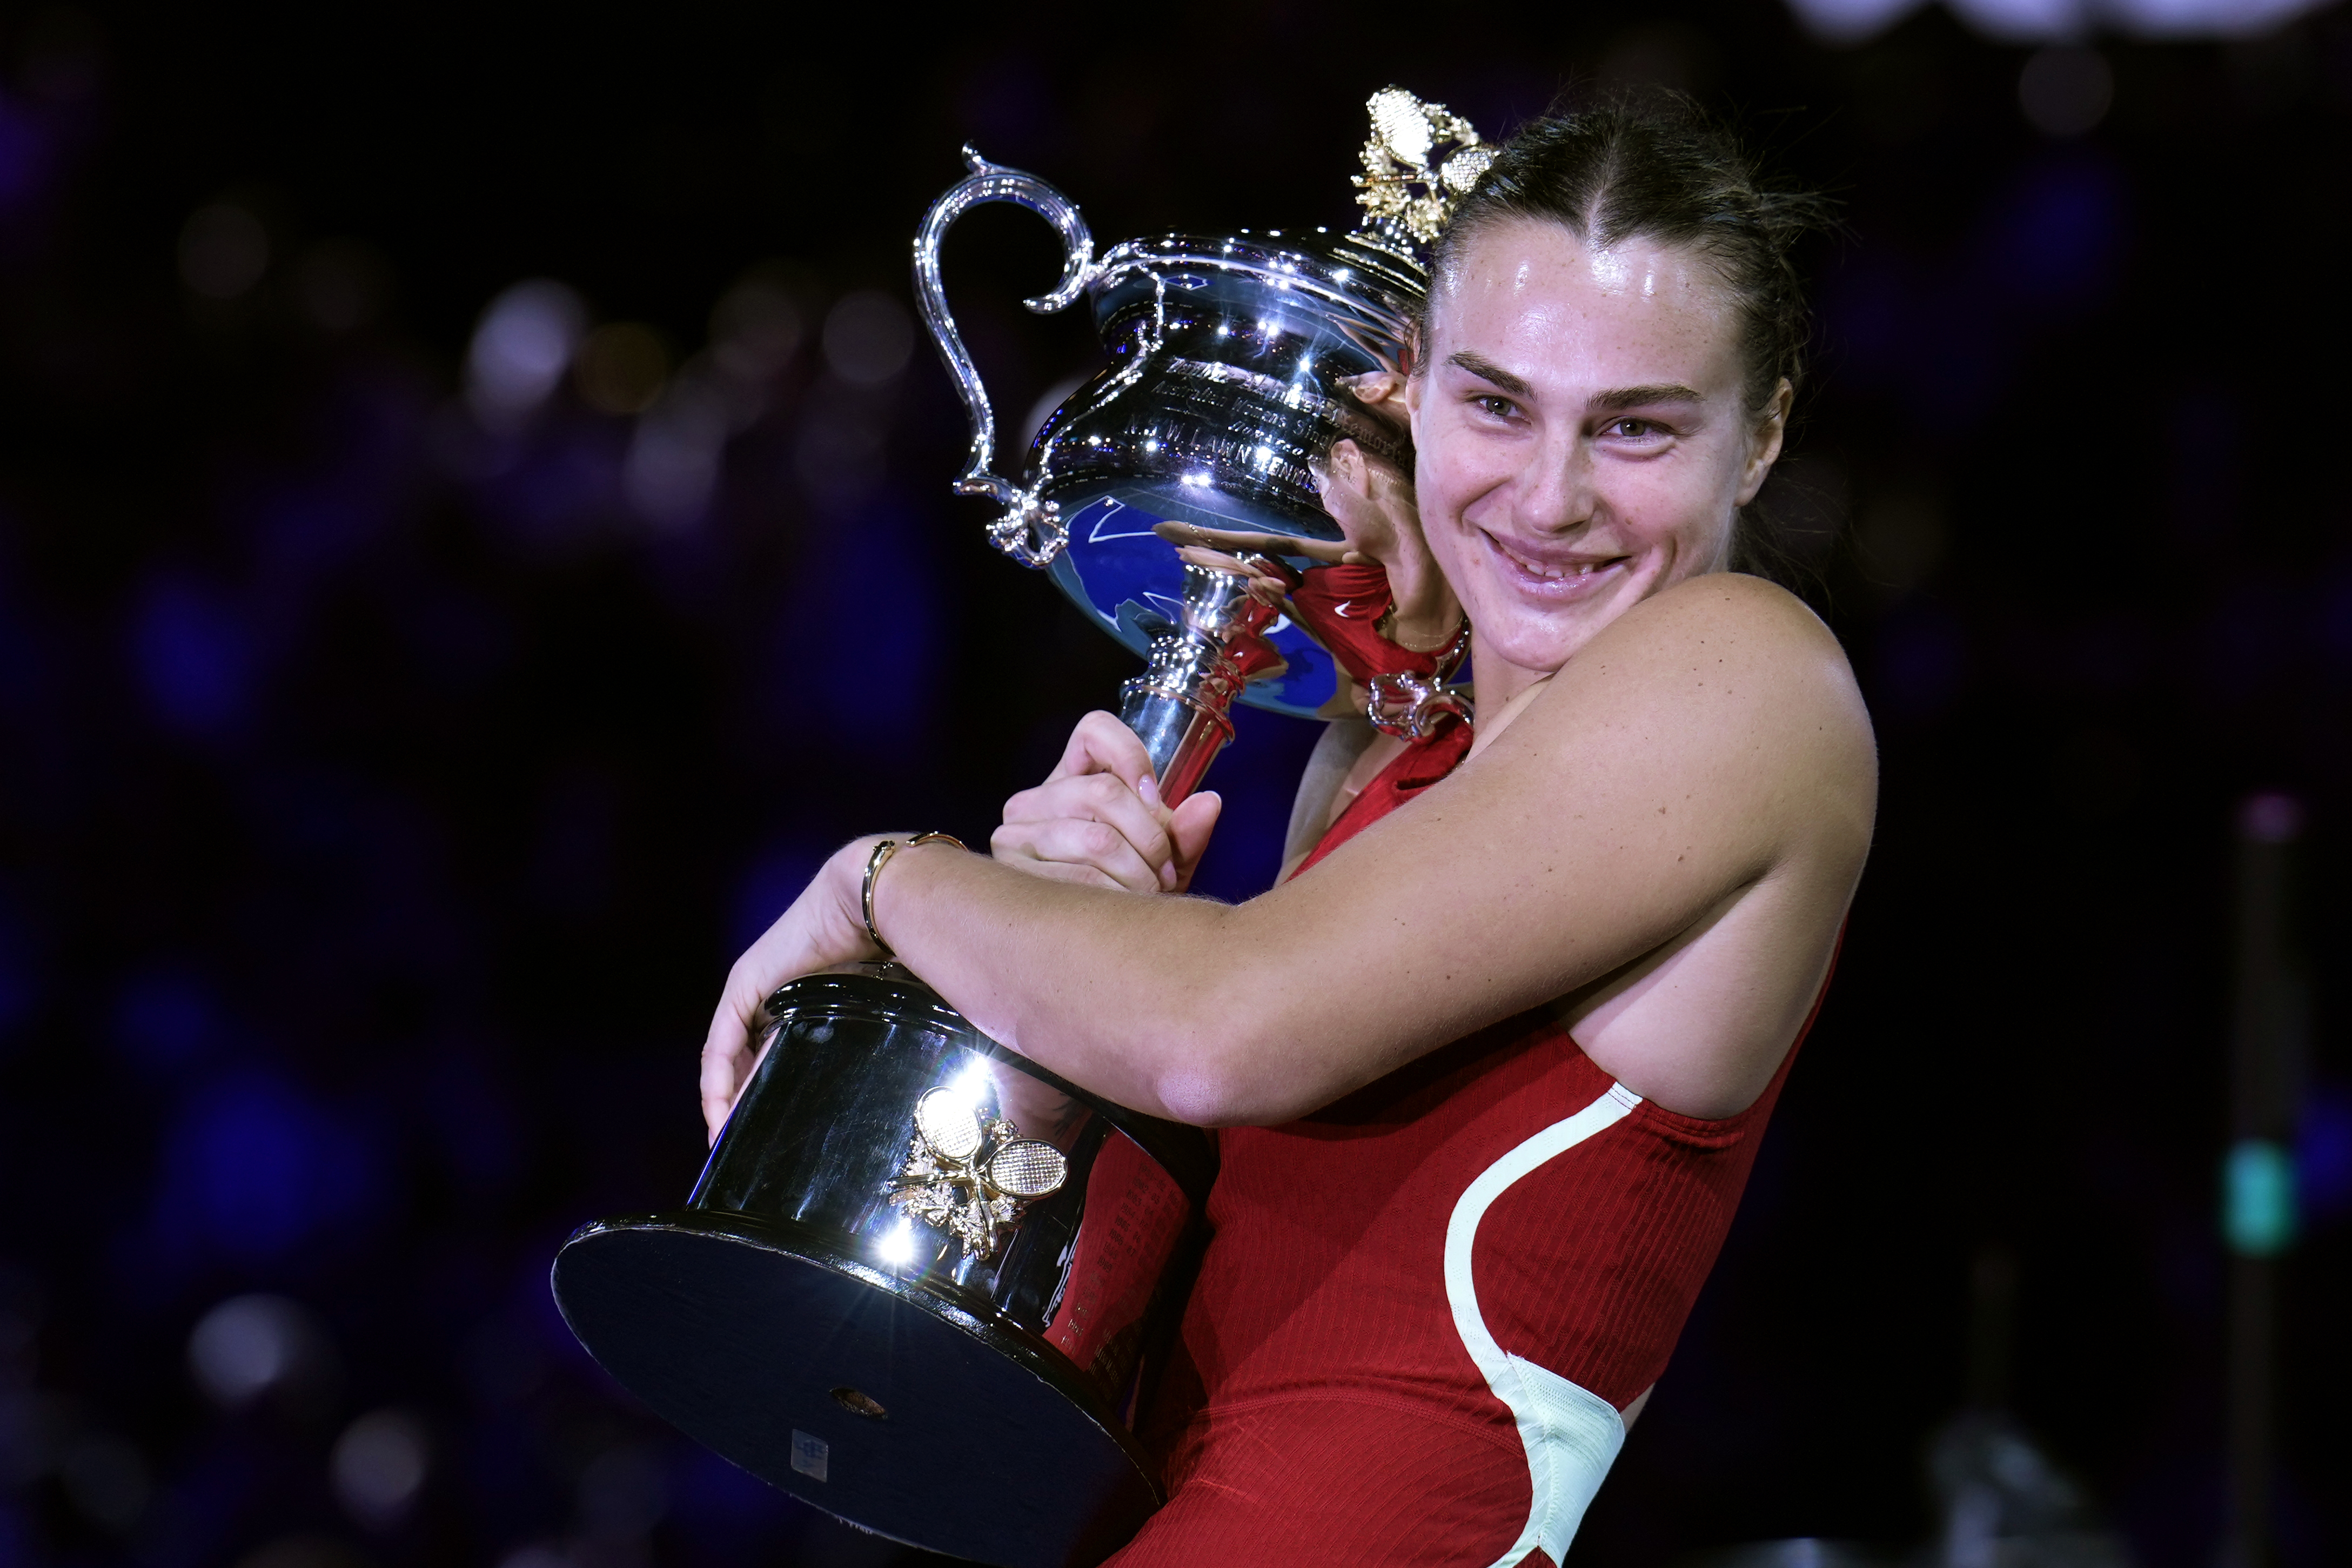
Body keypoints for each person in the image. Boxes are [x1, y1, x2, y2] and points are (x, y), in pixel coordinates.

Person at [700, 98, 1876, 1567]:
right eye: (1494, 404)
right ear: (1411, 387)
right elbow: (1199, 1230)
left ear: (1758, 436)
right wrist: (1070, 963)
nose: (1551, 496)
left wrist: (879, 882)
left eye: (1633, 426)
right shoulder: (1386, 749)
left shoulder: (1746, 673)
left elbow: (1220, 1030)